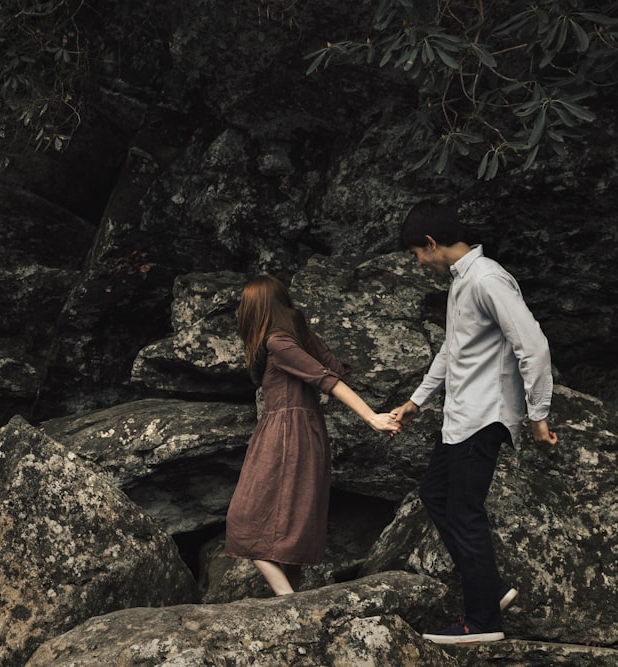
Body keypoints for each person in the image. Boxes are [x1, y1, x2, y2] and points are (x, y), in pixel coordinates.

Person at [392, 201, 558, 645]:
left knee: (465, 513)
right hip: (460, 417)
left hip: (484, 416)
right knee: (435, 494)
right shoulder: (462, 282)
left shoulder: (486, 278)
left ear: (430, 244)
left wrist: (538, 415)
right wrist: (416, 401)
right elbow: (452, 351)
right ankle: (492, 589)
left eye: (416, 255)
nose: (419, 264)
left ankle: (483, 621)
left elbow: (533, 346)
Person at [226, 274, 401, 596]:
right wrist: (303, 329)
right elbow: (334, 368)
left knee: (242, 525)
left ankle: (288, 600)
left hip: (284, 435)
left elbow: (329, 380)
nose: (240, 311)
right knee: (288, 529)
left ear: (257, 309)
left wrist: (371, 418)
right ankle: (289, 604)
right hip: (303, 432)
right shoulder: (290, 339)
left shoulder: (277, 343)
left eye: (244, 305)